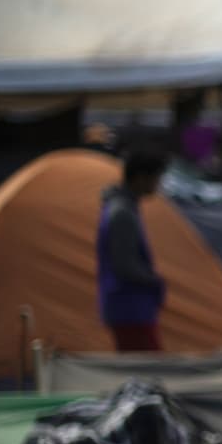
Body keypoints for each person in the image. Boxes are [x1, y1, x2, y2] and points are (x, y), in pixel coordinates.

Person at [97, 148, 168, 352]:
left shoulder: (125, 208)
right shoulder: (122, 213)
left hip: (131, 306)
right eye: (156, 178)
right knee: (145, 365)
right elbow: (125, 265)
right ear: (140, 178)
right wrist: (154, 280)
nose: (158, 184)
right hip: (130, 308)